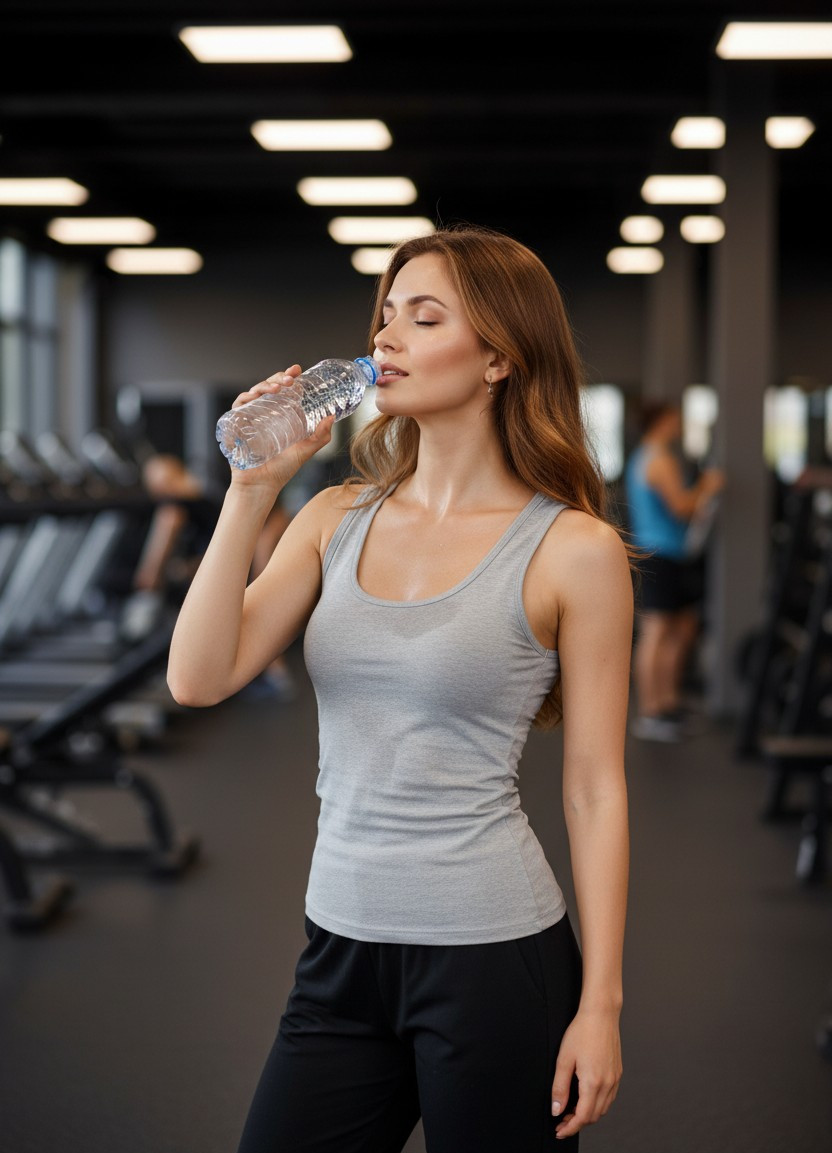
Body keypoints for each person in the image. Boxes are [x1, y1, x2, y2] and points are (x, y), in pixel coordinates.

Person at [167, 225, 632, 1152]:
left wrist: (603, 1005)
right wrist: (251, 492)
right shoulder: (335, 515)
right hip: (338, 946)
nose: (386, 339)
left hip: (496, 954)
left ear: (500, 355)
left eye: (425, 317)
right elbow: (197, 676)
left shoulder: (573, 549)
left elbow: (594, 787)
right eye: (386, 318)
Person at [625, 403, 725, 742]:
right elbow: (681, 507)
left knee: (683, 627)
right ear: (662, 421)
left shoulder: (649, 456)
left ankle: (667, 703)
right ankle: (649, 713)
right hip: (659, 555)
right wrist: (707, 487)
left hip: (672, 555)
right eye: (676, 419)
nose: (681, 424)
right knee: (656, 631)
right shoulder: (658, 459)